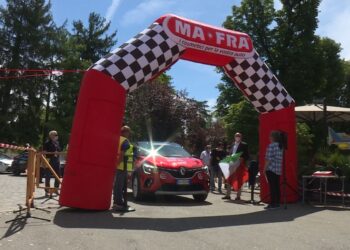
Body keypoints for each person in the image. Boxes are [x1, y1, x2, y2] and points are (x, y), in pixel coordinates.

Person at [113, 126, 135, 212]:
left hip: (120, 167)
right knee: (120, 186)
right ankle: (118, 203)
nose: (129, 134)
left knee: (118, 185)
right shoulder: (124, 141)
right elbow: (122, 154)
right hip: (122, 167)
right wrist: (118, 164)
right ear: (125, 132)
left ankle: (117, 202)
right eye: (128, 132)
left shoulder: (118, 139)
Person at [222, 132, 249, 200]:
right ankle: (228, 195)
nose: (237, 137)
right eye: (236, 136)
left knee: (238, 179)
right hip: (231, 163)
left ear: (241, 137)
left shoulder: (244, 145)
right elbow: (231, 153)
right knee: (229, 179)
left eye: (239, 136)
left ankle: (238, 196)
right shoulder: (232, 144)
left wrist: (242, 158)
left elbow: (247, 155)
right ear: (234, 137)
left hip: (239, 164)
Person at [264, 131, 283, 209]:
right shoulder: (281, 146)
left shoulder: (271, 146)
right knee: (277, 186)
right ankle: (277, 202)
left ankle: (273, 203)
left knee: (272, 187)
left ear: (273, 137)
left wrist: (264, 169)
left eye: (270, 136)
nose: (269, 138)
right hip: (278, 168)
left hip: (271, 168)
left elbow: (268, 159)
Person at [43, 130, 61, 196]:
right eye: (55, 135)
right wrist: (53, 153)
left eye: (56, 135)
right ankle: (47, 190)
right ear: (51, 136)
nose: (56, 136)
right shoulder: (47, 143)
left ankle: (56, 189)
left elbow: (59, 150)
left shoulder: (57, 143)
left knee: (58, 175)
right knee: (48, 175)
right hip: (50, 160)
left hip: (56, 160)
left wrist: (57, 152)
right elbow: (45, 151)